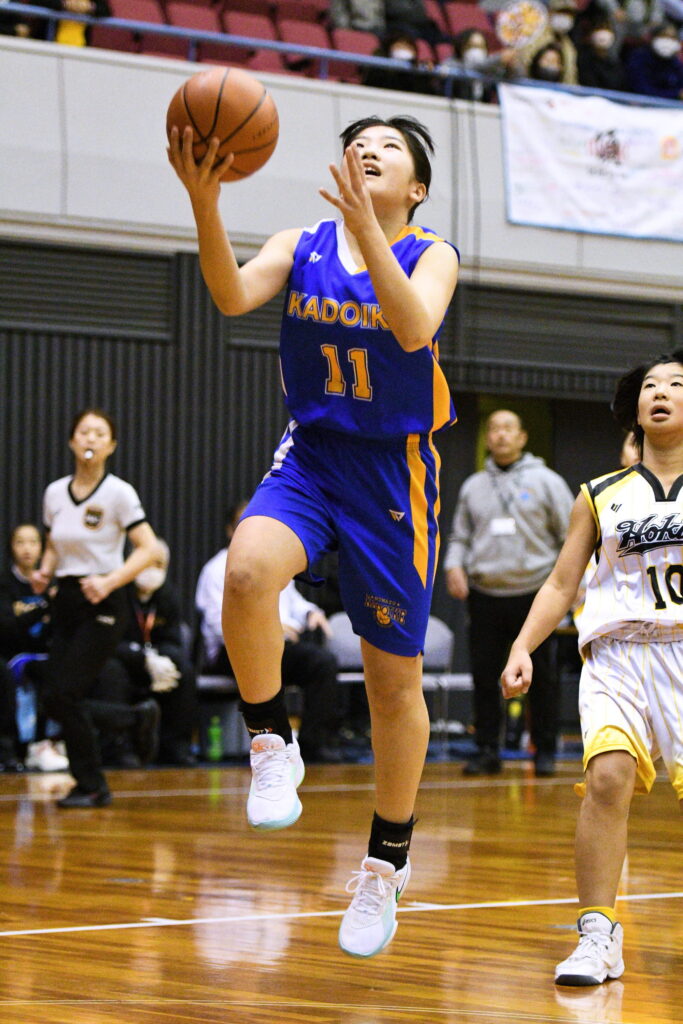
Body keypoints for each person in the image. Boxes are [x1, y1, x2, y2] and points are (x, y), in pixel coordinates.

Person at [168, 113, 459, 957]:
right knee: (247, 573)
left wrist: (370, 234)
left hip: (392, 475)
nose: (368, 148)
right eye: (358, 141)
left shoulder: (430, 253)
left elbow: (413, 328)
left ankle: (384, 865)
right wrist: (204, 202)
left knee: (390, 686)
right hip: (313, 454)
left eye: (390, 146)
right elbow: (230, 296)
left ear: (416, 188)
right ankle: (271, 740)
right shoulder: (301, 244)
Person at [502, 349, 683, 987]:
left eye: (676, 384)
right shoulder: (599, 494)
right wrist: (522, 645)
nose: (660, 392)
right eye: (650, 385)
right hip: (616, 656)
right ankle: (598, 934)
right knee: (607, 779)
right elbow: (561, 583)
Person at [32, 408, 161, 808]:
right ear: (72, 441)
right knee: (54, 696)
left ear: (111, 446)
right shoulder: (55, 493)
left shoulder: (119, 493)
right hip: (68, 598)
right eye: (84, 432)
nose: (90, 439)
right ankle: (133, 720)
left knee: (65, 692)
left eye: (99, 433)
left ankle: (91, 785)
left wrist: (110, 580)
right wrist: (45, 572)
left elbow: (149, 549)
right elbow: (54, 543)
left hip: (104, 598)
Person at [444, 409, 574, 777]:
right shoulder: (473, 486)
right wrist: (454, 566)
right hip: (485, 594)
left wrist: (573, 586)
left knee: (543, 677)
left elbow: (571, 537)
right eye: (494, 429)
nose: (501, 435)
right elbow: (459, 537)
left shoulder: (547, 481)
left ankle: (544, 750)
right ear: (487, 438)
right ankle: (487, 750)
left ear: (522, 437)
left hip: (534, 594)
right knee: (485, 676)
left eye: (508, 429)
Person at [196, 505, 343, 764]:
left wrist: (310, 613)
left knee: (321, 663)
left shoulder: (271, 564)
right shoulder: (216, 569)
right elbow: (217, 623)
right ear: (231, 530)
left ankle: (313, 744)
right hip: (231, 651)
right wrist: (271, 626)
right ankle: (271, 749)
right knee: (288, 658)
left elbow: (295, 603)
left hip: (276, 646)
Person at [95, 539, 198, 767]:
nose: (152, 570)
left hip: (154, 663)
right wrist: (143, 658)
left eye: (159, 564)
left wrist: (163, 659)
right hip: (124, 662)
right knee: (111, 671)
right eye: (147, 563)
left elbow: (173, 639)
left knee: (184, 670)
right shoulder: (117, 593)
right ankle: (118, 748)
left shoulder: (167, 595)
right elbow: (108, 642)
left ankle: (175, 748)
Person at [0, 523, 68, 772]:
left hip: (45, 651)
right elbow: (8, 628)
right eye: (20, 542)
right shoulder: (5, 583)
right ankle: (27, 746)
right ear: (11, 547)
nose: (27, 549)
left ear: (42, 548)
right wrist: (44, 607)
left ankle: (56, 741)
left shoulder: (53, 584)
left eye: (33, 542)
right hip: (13, 654)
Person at [520, 0, 579, 84]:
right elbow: (524, 64)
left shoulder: (568, 46)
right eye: (561, 13)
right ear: (550, 13)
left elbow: (570, 77)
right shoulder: (534, 36)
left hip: (556, 90)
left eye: (569, 15)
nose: (565, 17)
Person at [362, 30, 438, 95]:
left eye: (408, 47)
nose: (403, 49)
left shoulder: (418, 71)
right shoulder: (378, 67)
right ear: (389, 49)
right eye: (399, 46)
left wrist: (425, 73)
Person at [625, 21, 683, 98]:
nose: (667, 41)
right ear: (653, 38)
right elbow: (642, 89)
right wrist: (676, 94)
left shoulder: (675, 63)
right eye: (663, 36)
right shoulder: (639, 58)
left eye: (672, 38)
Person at [577, 16, 629, 90]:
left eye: (607, 29)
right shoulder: (583, 60)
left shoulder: (615, 64)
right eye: (599, 29)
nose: (603, 34)